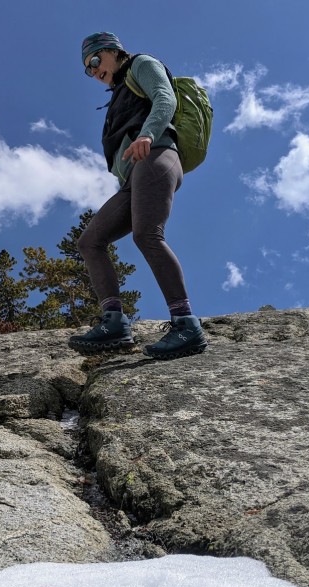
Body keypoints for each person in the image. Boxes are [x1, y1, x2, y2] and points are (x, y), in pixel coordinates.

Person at [68, 32, 207, 360]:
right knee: (90, 241)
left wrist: (147, 134)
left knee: (147, 234)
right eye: (87, 70)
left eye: (94, 61)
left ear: (112, 51)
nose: (93, 71)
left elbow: (165, 98)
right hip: (136, 177)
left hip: (158, 154)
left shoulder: (141, 64)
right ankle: (114, 321)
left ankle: (186, 323)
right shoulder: (117, 94)